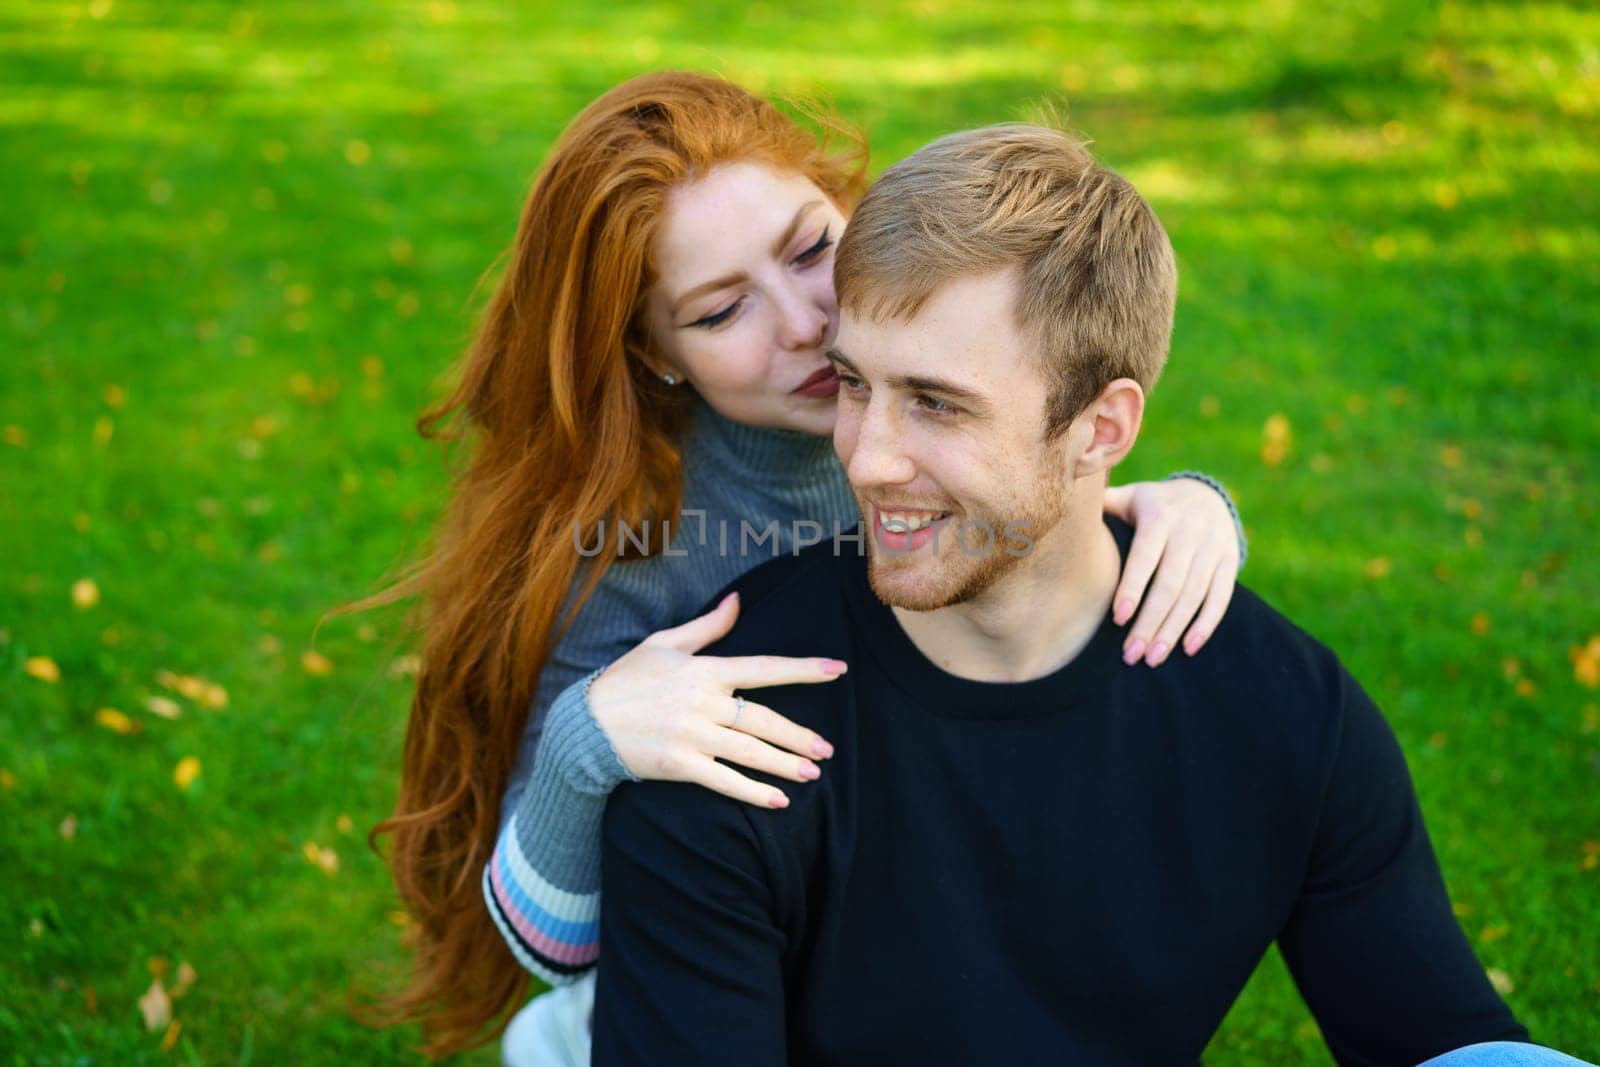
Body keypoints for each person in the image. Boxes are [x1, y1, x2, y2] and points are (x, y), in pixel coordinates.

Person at [588, 124, 1580, 1065]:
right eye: (855, 383)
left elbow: (1441, 1036)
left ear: (1101, 429)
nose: (867, 454)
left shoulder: (1284, 714)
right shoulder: (727, 735)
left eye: (933, 402)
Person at [369, 73, 1248, 1062]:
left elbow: (1056, 490)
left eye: (808, 249)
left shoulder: (947, 395)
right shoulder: (636, 559)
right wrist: (591, 738)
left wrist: (1179, 508)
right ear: (656, 355)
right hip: (701, 983)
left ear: (847, 206)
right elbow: (550, 940)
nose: (803, 322)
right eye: (719, 312)